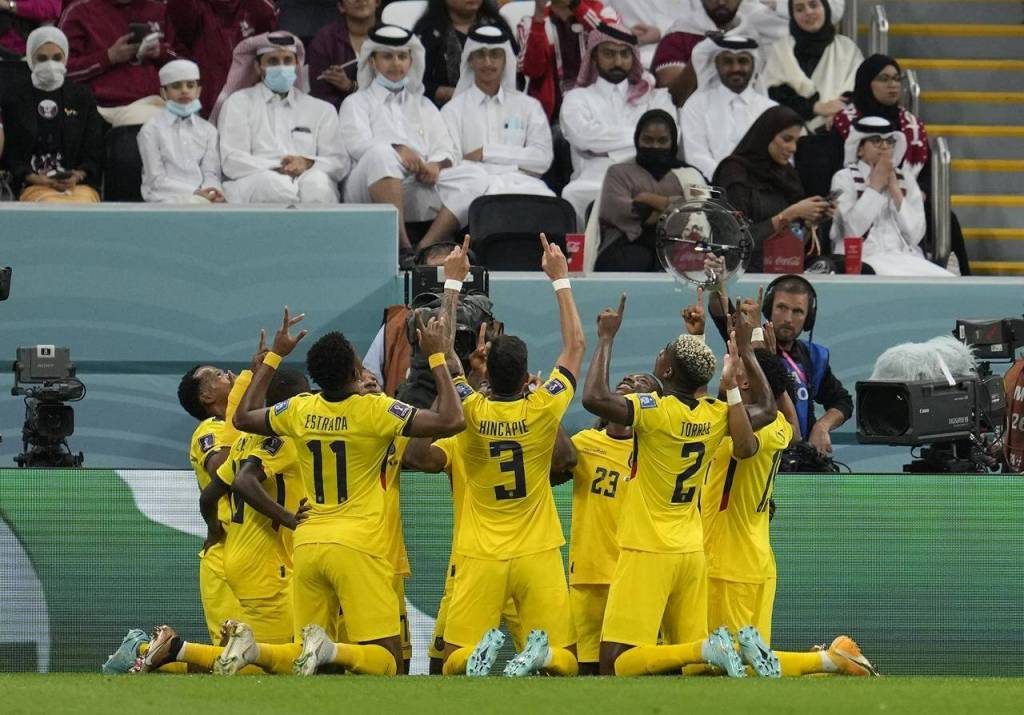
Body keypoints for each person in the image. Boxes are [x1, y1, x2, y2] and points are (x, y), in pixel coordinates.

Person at [229, 252, 468, 676]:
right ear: (358, 369)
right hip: (359, 544)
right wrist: (435, 358)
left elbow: (243, 418)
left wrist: (273, 358)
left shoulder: (299, 409)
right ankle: (329, 650)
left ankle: (258, 651)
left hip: (308, 541)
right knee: (385, 660)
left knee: (309, 658)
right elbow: (451, 419)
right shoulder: (375, 410)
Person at [580, 293, 779, 677]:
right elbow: (768, 410)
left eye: (662, 356)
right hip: (691, 551)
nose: (658, 357)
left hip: (646, 548)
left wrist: (605, 338)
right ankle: (707, 648)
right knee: (690, 668)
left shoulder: (654, 412)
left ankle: (707, 647)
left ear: (667, 373)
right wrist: (748, 355)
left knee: (615, 663)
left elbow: (594, 398)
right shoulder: (715, 414)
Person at [438, 235, 585, 677]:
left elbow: (443, 353)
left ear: (484, 370)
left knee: (453, 662)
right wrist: (560, 280)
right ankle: (537, 656)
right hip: (537, 549)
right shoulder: (542, 406)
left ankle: (478, 660)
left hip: (481, 551)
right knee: (566, 661)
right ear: (526, 377)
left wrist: (451, 283)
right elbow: (576, 345)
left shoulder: (469, 408)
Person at [339, 25, 487, 256]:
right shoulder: (356, 102)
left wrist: (434, 166)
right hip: (370, 184)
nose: (396, 63)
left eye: (402, 56)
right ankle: (402, 246)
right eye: (387, 56)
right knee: (381, 154)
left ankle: (424, 248)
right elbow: (357, 145)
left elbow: (445, 147)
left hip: (417, 181)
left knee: (476, 176)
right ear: (372, 61)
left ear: (411, 61)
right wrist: (398, 149)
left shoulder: (424, 105)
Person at [558, 372, 661, 675]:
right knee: (586, 670)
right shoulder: (585, 443)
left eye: (643, 380)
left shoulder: (657, 451)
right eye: (629, 377)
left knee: (629, 668)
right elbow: (556, 465)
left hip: (635, 577)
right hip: (588, 575)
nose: (630, 378)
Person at [707, 271, 853, 456]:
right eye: (781, 308)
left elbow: (843, 402)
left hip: (797, 457)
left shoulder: (814, 357)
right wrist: (716, 283)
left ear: (808, 318)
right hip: (755, 453)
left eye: (798, 311)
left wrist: (822, 426)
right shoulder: (749, 344)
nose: (788, 318)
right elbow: (722, 314)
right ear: (768, 310)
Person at [559, 21, 674, 227]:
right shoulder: (576, 98)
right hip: (593, 179)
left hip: (647, 177)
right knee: (573, 193)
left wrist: (604, 148)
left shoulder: (655, 96)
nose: (618, 61)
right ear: (594, 57)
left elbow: (673, 136)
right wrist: (642, 140)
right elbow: (583, 137)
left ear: (633, 57)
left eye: (624, 54)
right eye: (609, 54)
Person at [215, 32, 349, 204]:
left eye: (287, 60)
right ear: (258, 67)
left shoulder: (321, 109)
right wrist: (278, 168)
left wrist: (307, 163)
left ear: (296, 64)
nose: (281, 66)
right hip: (257, 180)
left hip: (306, 178)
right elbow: (232, 162)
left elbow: (339, 161)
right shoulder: (238, 103)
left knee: (317, 185)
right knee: (274, 185)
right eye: (272, 61)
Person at [712, 105, 833, 272]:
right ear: (766, 135)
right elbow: (735, 240)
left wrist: (809, 223)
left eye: (796, 141)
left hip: (782, 265)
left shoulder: (787, 175)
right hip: (742, 269)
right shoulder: (734, 172)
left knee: (829, 265)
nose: (793, 148)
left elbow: (793, 243)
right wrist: (788, 215)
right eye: (786, 139)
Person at [441, 25, 555, 202]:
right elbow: (453, 165)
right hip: (475, 191)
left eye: (495, 54)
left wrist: (486, 152)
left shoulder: (528, 106)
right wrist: (515, 162)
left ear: (505, 59)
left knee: (551, 204)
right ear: (470, 60)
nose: (488, 62)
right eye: (480, 54)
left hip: (524, 186)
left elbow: (542, 159)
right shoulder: (453, 110)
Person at [829, 116, 953, 277]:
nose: (885, 147)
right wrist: (875, 188)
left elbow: (915, 235)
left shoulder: (906, 179)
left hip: (905, 257)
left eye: (889, 142)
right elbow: (852, 232)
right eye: (876, 141)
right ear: (859, 149)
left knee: (946, 279)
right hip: (864, 259)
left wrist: (895, 190)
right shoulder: (843, 178)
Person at [593, 108, 707, 271]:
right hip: (627, 246)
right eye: (647, 139)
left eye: (662, 141)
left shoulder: (690, 175)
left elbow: (700, 212)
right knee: (636, 259)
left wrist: (647, 199)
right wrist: (675, 206)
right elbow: (619, 211)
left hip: (681, 247)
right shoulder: (618, 172)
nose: (654, 146)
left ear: (672, 142)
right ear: (637, 139)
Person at [0, 27, 104, 203]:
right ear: (30, 58)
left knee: (81, 207)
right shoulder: (14, 98)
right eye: (42, 58)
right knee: (51, 206)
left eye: (57, 58)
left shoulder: (82, 97)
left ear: (66, 58)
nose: (50, 64)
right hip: (32, 184)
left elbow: (93, 150)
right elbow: (11, 154)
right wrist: (34, 178)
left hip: (77, 186)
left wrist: (77, 175)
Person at [59, 0, 179, 126]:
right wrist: (108, 57)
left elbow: (182, 57)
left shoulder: (159, 10)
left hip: (161, 103)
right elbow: (62, 69)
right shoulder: (80, 12)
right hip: (104, 109)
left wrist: (161, 52)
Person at [679, 34, 776, 182]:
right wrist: (729, 180)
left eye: (743, 61)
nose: (735, 68)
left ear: (753, 65)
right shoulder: (696, 105)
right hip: (712, 188)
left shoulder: (770, 109)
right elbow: (696, 156)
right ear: (716, 65)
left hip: (763, 188)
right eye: (728, 62)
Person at [652, 0, 787, 105]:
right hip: (696, 126)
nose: (721, 2)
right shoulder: (679, 36)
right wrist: (701, 56)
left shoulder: (754, 33)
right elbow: (672, 99)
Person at [166, 0, 279, 119]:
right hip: (207, 107)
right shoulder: (190, 7)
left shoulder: (260, 9)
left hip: (251, 107)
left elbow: (272, 55)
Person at [762, 0, 861, 132]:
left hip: (837, 135)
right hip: (789, 138)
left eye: (813, 5)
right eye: (799, 9)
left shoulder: (847, 49)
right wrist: (816, 107)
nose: (808, 12)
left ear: (825, 7)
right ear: (792, 14)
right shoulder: (780, 50)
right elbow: (775, 96)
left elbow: (859, 91)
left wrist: (839, 113)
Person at [138, 59, 225, 203]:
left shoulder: (208, 130)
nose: (184, 90)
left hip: (202, 197)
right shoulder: (150, 129)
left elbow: (211, 172)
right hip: (163, 198)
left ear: (198, 91)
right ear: (163, 93)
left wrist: (212, 191)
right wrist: (195, 192)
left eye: (190, 85)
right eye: (176, 86)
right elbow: (155, 180)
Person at [832, 54, 927, 180]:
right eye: (884, 78)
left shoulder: (912, 125)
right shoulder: (845, 121)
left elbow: (926, 175)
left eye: (896, 78)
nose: (893, 84)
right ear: (866, 82)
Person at [515, 0, 612, 120]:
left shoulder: (601, 11)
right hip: (553, 117)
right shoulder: (529, 23)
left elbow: (612, 44)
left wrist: (577, 5)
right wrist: (538, 17)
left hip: (598, 110)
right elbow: (534, 70)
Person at [413, 0, 514, 107]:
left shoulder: (497, 28)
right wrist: (453, 93)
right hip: (443, 111)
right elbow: (415, 83)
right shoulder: (427, 33)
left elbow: (515, 74)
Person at [307, 0, 379, 110]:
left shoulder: (392, 37)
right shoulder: (325, 39)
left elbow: (398, 90)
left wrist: (351, 87)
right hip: (338, 117)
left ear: (377, 2)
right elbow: (320, 97)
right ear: (341, 6)